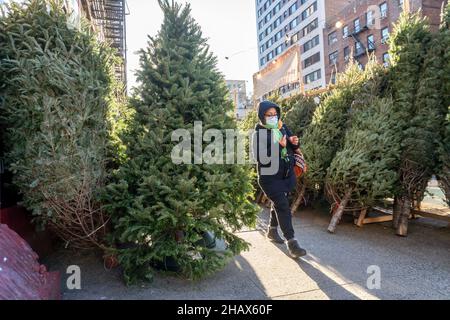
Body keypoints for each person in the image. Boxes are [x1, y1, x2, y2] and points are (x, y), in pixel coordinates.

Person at [252, 100, 307, 259]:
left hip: (286, 175)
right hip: (269, 178)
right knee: (282, 205)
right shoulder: (259, 134)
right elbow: (261, 158)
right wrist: (278, 146)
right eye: (269, 115)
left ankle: (272, 230)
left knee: (280, 203)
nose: (273, 117)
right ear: (262, 116)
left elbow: (292, 145)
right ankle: (292, 243)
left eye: (275, 114)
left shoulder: (282, 127)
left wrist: (295, 143)